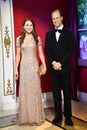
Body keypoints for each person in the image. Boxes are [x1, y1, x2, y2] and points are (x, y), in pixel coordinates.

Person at [14, 18, 47, 125]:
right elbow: (18, 55)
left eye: (31, 25)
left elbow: (41, 54)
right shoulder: (19, 39)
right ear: (23, 26)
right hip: (24, 67)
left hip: (34, 67)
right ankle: (26, 117)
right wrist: (16, 69)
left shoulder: (37, 38)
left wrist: (44, 65)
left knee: (34, 89)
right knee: (25, 90)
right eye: (27, 25)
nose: (29, 27)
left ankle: (35, 116)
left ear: (33, 27)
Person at [44, 9, 74, 126]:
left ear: (61, 18)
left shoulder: (69, 33)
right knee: (56, 94)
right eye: (53, 18)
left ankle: (68, 117)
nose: (55, 20)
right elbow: (47, 50)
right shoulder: (48, 34)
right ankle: (57, 116)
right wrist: (53, 63)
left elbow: (70, 51)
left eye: (57, 18)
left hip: (65, 68)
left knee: (67, 94)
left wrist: (60, 63)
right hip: (53, 69)